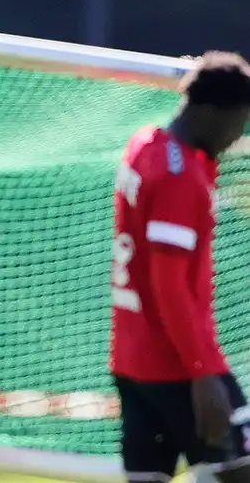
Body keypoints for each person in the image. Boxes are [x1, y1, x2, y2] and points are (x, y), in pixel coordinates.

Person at [110, 51, 250, 483]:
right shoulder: (178, 178)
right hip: (178, 365)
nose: (238, 135)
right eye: (238, 121)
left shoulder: (146, 144)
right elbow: (168, 284)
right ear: (209, 113)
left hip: (132, 360)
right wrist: (204, 375)